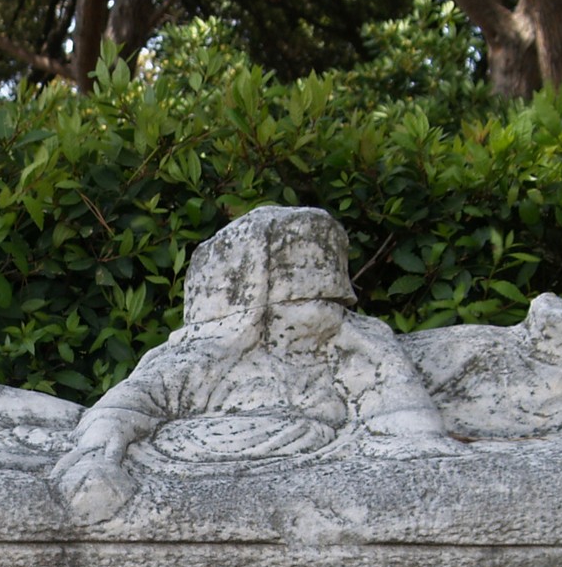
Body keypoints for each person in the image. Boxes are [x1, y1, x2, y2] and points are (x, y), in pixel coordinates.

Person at [51, 207, 449, 518]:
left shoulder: (355, 349)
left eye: (329, 301)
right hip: (195, 472)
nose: (323, 312)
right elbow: (126, 406)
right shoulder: (204, 357)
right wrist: (100, 455)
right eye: (303, 302)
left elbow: (413, 435)